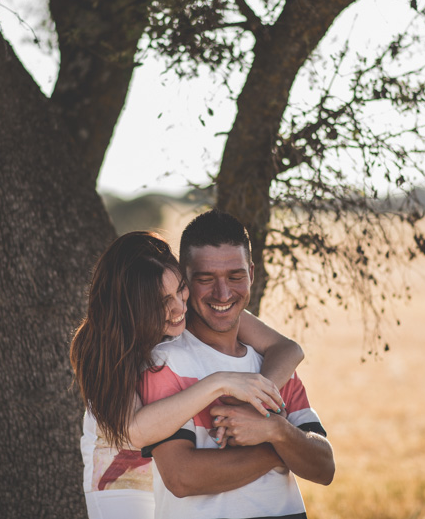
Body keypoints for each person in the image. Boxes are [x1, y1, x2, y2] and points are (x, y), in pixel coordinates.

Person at [70, 231, 304, 519]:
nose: (179, 308)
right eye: (160, 302)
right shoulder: (101, 346)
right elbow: (136, 432)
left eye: (180, 289)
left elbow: (288, 349)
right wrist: (220, 383)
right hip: (120, 472)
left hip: (170, 463)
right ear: (133, 305)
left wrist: (250, 406)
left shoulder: (192, 309)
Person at [139, 210, 335, 519]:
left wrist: (276, 430)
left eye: (235, 276)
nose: (223, 293)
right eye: (205, 279)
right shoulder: (165, 363)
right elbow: (181, 477)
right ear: (185, 282)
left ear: (252, 274)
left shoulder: (273, 365)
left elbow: (324, 467)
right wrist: (276, 451)